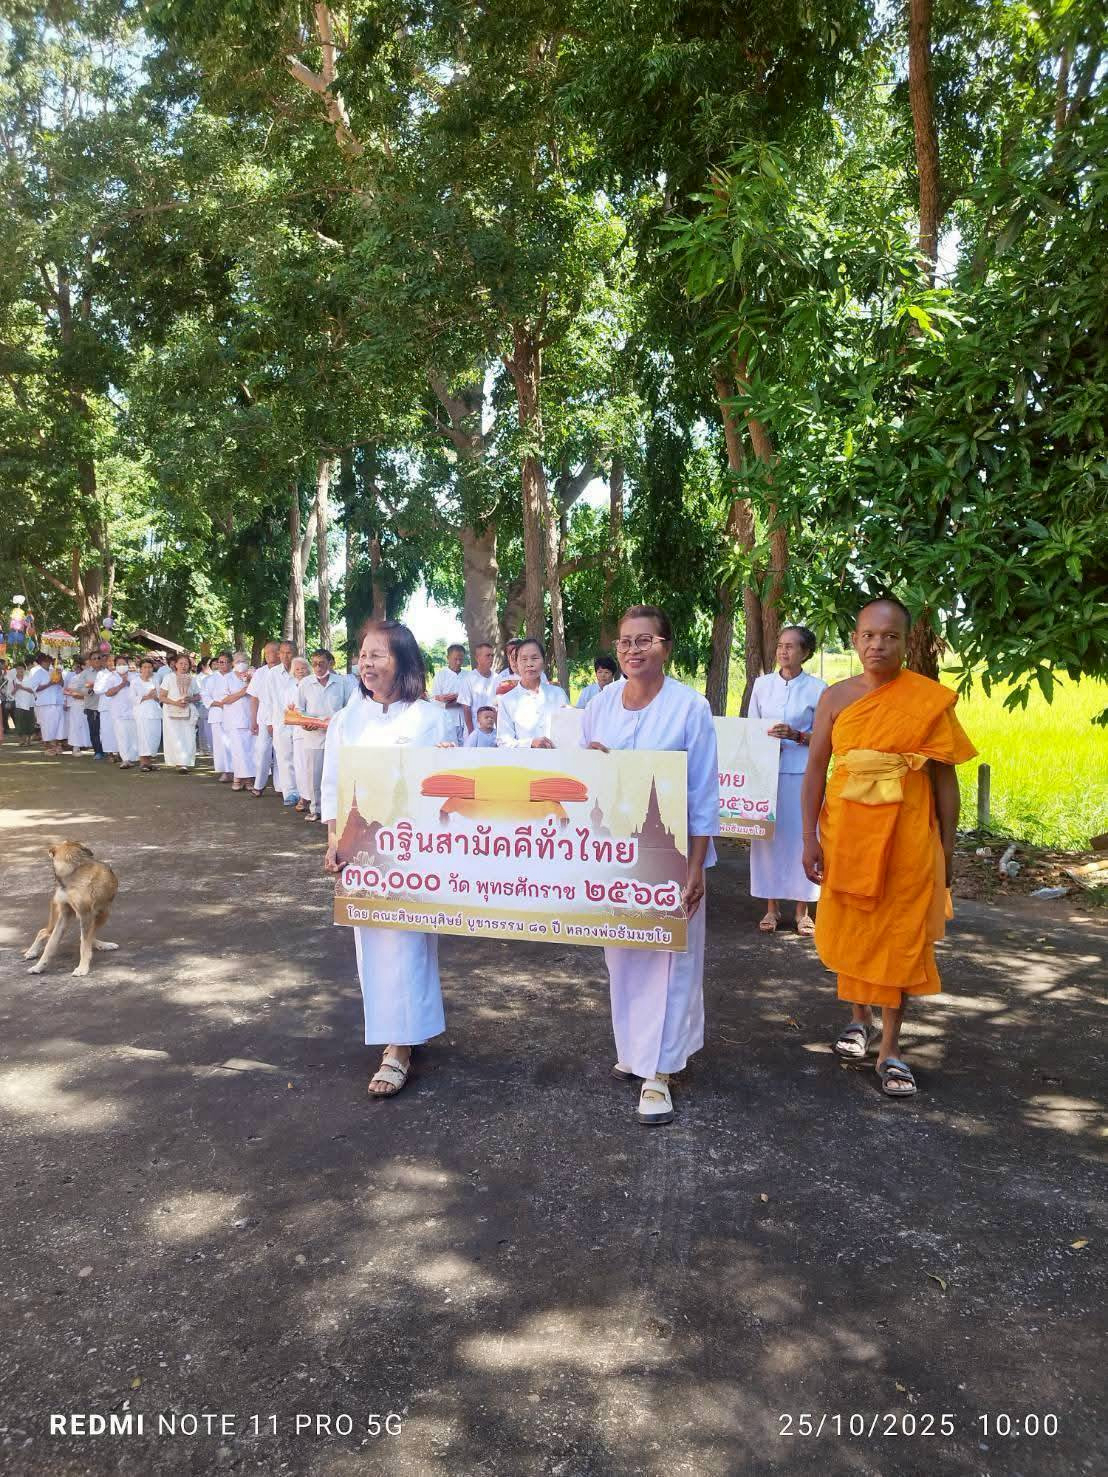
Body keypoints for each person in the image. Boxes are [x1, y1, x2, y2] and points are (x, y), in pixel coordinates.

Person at [801, 598, 977, 1099]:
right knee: (856, 928)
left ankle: (892, 1049)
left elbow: (945, 782)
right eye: (868, 635)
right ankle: (859, 1019)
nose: (878, 645)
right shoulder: (835, 698)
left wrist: (948, 846)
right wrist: (808, 836)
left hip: (908, 841)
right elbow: (816, 769)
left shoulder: (927, 700)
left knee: (901, 936)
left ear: (906, 642)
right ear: (855, 639)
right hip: (848, 837)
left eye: (890, 636)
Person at [581, 605, 719, 1127]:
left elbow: (705, 792)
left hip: (673, 853)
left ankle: (659, 1073)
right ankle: (634, 1052)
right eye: (624, 641)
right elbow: (584, 777)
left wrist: (698, 865)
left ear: (666, 646)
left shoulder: (689, 707)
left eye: (645, 640)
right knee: (622, 955)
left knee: (669, 961)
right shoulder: (599, 705)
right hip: (615, 852)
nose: (633, 650)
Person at [322, 619, 450, 1100]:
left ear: (402, 660)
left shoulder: (429, 717)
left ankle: (402, 1045)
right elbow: (333, 785)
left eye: (378, 654)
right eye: (362, 653)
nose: (366, 662)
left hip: (415, 851)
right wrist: (333, 841)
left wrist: (446, 759)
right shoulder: (347, 719)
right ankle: (392, 1036)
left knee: (410, 942)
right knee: (372, 943)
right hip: (365, 852)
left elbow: (445, 783)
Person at [748, 626, 827, 936]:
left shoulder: (818, 689)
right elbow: (751, 726)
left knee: (801, 838)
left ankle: (802, 910)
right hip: (766, 772)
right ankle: (770, 907)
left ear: (805, 652)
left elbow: (825, 737)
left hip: (802, 773)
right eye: (781, 646)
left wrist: (796, 735)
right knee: (767, 839)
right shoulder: (761, 685)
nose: (784, 651)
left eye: (791, 647)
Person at [295, 648, 347, 821]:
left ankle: (336, 811)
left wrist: (336, 722)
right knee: (314, 775)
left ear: (330, 663)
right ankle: (315, 809)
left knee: (336, 775)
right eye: (315, 664)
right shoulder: (305, 683)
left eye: (321, 664)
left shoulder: (342, 683)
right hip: (313, 736)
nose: (317, 667)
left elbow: (348, 709)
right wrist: (305, 724)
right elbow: (299, 709)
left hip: (336, 737)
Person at [496, 638, 568, 747]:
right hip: (523, 762)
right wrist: (530, 743)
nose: (529, 664)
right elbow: (503, 741)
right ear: (516, 663)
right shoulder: (507, 700)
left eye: (534, 658)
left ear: (543, 661)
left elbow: (569, 729)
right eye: (524, 659)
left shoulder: (558, 694)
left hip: (557, 760)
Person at [269, 640, 302, 808]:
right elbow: (268, 700)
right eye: (282, 652)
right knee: (283, 756)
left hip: (299, 721)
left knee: (300, 757)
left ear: (296, 652)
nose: (285, 656)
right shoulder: (272, 673)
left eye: (289, 652)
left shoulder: (302, 670)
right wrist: (269, 722)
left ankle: (303, 792)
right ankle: (289, 792)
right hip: (280, 720)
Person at [248, 640, 281, 797]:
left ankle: (282, 787)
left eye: (273, 652)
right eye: (266, 652)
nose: (269, 655)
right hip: (263, 717)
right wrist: (253, 720)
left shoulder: (287, 671)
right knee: (262, 751)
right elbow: (254, 698)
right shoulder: (260, 673)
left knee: (282, 753)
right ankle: (259, 784)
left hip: (282, 718)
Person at [219, 652, 255, 790]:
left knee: (251, 751)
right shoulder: (227, 678)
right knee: (238, 751)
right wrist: (242, 692)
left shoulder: (254, 675)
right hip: (234, 720)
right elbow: (224, 699)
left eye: (244, 660)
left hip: (252, 718)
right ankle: (239, 778)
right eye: (238, 660)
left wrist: (250, 682)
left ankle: (248, 779)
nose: (241, 662)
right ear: (233, 663)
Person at [160, 653, 201, 771]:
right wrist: (175, 703)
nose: (183, 666)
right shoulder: (168, 677)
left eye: (186, 664)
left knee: (188, 736)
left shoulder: (192, 679)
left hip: (187, 711)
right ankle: (178, 762)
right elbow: (162, 696)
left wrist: (190, 699)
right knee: (174, 737)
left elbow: (198, 696)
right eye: (181, 663)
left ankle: (185, 762)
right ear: (175, 665)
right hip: (171, 711)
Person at [431, 643, 473, 742]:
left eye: (461, 659)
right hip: (448, 721)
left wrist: (462, 700)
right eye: (455, 659)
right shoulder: (440, 676)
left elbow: (472, 697)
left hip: (466, 721)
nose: (458, 662)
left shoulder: (469, 675)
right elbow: (434, 700)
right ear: (448, 658)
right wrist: (451, 703)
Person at [26, 652, 66, 755]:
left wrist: (60, 675)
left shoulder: (54, 670)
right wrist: (49, 684)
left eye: (49, 660)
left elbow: (62, 684)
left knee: (58, 725)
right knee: (47, 726)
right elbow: (34, 688)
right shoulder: (37, 673)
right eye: (46, 660)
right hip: (45, 703)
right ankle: (48, 747)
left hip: (57, 701)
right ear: (41, 662)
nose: (49, 662)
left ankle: (57, 745)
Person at [131, 658, 164, 771]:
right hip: (141, 712)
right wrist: (147, 696)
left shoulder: (155, 680)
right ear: (141, 669)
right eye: (144, 667)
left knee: (153, 736)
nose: (147, 669)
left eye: (149, 667)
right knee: (143, 736)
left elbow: (160, 697)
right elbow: (131, 698)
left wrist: (155, 696)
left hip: (154, 711)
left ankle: (149, 762)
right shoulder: (135, 681)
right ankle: (143, 763)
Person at [206, 652, 234, 781]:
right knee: (220, 744)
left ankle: (236, 771)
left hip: (234, 714)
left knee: (233, 743)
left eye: (224, 662)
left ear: (231, 663)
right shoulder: (211, 679)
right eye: (220, 662)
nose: (221, 664)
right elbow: (205, 695)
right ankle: (225, 771)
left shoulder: (236, 677)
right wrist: (219, 704)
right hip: (217, 713)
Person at [466, 642, 502, 726]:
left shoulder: (497, 678)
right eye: (488, 655)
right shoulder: (468, 679)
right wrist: (472, 733)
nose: (491, 658)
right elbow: (466, 708)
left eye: (492, 655)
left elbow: (500, 706)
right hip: (476, 728)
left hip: (495, 729)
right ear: (477, 658)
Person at [63, 656, 92, 754]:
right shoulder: (75, 678)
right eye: (88, 665)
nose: (90, 667)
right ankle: (76, 747)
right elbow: (70, 692)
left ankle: (91, 745)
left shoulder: (96, 677)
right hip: (78, 705)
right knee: (76, 725)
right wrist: (83, 696)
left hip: (91, 705)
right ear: (83, 666)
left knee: (89, 725)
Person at [83, 652, 105, 759]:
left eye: (98, 658)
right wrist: (89, 689)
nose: (96, 660)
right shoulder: (85, 673)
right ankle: (98, 751)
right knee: (94, 731)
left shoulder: (107, 672)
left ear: (102, 660)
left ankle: (109, 751)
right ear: (90, 661)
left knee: (107, 730)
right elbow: (80, 688)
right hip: (92, 706)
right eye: (94, 658)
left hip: (106, 707)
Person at [10, 662, 36, 746]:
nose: (20, 670)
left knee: (29, 721)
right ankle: (21, 740)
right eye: (18, 669)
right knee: (19, 722)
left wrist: (22, 687)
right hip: (19, 704)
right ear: (15, 670)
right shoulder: (13, 680)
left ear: (24, 670)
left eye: (21, 668)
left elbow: (33, 691)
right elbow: (11, 693)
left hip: (29, 703)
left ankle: (28, 740)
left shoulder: (29, 679)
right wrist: (16, 689)